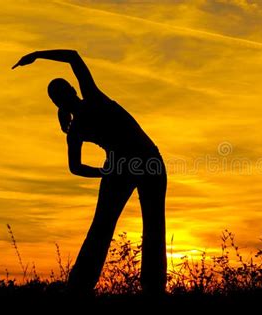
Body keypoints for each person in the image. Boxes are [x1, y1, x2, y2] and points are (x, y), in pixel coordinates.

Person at [12, 50, 167, 295]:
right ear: (71, 91)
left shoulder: (86, 110)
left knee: (135, 227)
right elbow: (75, 167)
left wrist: (37, 55)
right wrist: (103, 173)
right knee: (119, 227)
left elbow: (73, 57)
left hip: (144, 162)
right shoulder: (81, 119)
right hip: (135, 163)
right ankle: (82, 288)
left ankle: (146, 289)